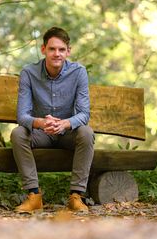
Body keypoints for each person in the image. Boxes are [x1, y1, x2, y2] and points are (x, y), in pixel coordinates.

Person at [11, 27, 95, 213]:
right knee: (18, 134)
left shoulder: (78, 72)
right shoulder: (29, 73)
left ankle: (76, 196)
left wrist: (64, 123)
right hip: (42, 133)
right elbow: (22, 115)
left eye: (61, 49)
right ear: (43, 50)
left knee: (86, 132)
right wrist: (41, 123)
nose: (57, 54)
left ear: (68, 51)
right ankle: (34, 196)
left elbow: (84, 114)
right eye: (52, 49)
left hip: (67, 134)